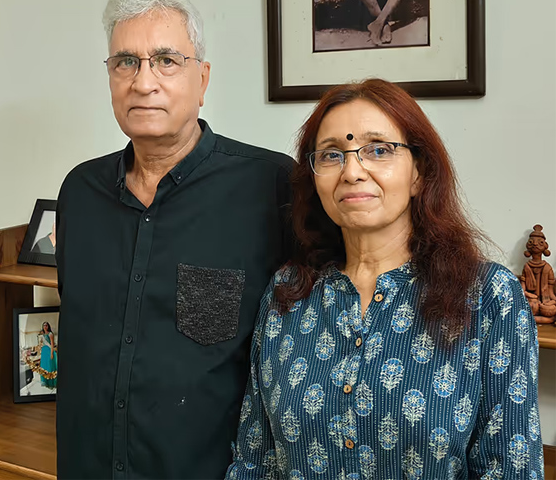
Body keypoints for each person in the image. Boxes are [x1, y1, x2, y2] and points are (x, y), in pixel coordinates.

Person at [227, 78, 544, 479]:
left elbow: (511, 469)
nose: (352, 171)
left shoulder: (488, 297)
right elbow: (255, 460)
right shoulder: (288, 292)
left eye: (379, 150)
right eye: (331, 155)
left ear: (418, 173)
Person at [56, 0, 295, 479]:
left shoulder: (270, 187)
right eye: (125, 62)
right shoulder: (79, 193)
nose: (144, 81)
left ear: (202, 80)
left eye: (166, 60)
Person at [38, 322, 57, 390]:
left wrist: (52, 353)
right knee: (44, 366)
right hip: (44, 352)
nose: (45, 327)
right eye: (44, 325)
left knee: (49, 366)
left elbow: (52, 344)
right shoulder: (42, 334)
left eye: (46, 325)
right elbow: (41, 343)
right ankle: (45, 382)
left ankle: (50, 383)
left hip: (49, 351)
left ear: (48, 326)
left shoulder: (50, 334)